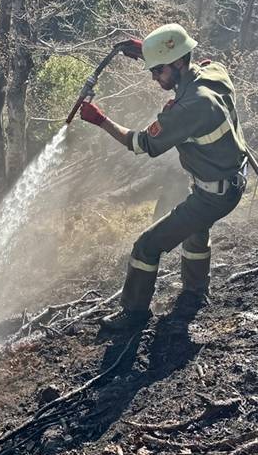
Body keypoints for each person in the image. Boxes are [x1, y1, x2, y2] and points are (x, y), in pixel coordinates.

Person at [78, 23, 248, 334]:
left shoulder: (190, 107)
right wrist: (147, 49)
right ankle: (195, 293)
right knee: (195, 233)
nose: (155, 78)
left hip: (214, 195)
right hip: (229, 181)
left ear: (179, 63)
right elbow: (197, 64)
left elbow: (141, 144)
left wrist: (99, 120)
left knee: (146, 246)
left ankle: (133, 315)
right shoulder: (214, 73)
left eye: (158, 71)